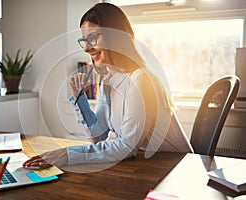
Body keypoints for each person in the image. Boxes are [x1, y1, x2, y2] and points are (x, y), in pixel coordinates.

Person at [23, 3, 193, 169]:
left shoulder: (141, 79)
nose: (87, 49)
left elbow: (126, 147)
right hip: (153, 167)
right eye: (85, 40)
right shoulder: (108, 81)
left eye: (93, 38)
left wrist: (66, 154)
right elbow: (99, 136)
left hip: (180, 171)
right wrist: (79, 99)